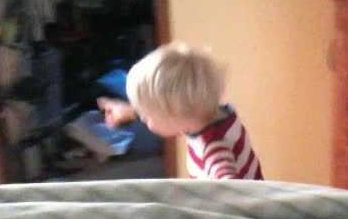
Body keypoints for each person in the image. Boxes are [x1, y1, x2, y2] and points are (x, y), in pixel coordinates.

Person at [97, 42, 263, 180]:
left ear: (175, 114)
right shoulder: (212, 113)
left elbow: (231, 190)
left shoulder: (214, 149)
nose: (144, 118)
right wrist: (128, 111)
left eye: (147, 114)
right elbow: (173, 111)